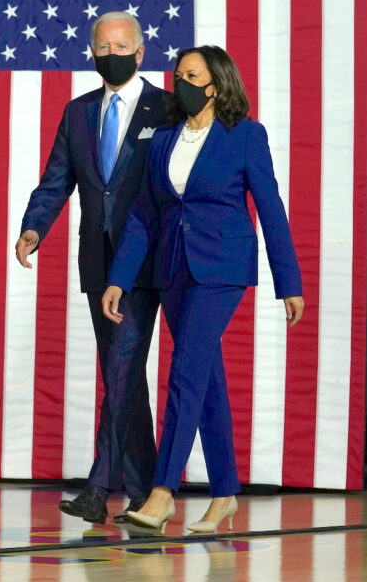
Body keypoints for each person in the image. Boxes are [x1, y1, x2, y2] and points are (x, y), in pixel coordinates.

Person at [101, 45, 304, 533]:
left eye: (192, 76)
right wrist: (119, 278)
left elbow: (271, 208)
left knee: (185, 372)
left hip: (222, 268)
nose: (181, 84)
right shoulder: (164, 137)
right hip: (173, 269)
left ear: (217, 84)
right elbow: (144, 214)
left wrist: (289, 282)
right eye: (178, 76)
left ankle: (162, 491)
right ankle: (225, 494)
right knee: (205, 379)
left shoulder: (246, 135)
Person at [16, 11, 175, 524]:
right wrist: (34, 228)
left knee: (122, 367)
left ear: (141, 51)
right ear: (91, 53)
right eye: (103, 47)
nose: (112, 54)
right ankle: (145, 494)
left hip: (145, 262)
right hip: (97, 262)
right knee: (123, 374)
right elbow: (55, 180)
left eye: (121, 46)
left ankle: (97, 487)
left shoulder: (166, 109)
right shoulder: (78, 111)